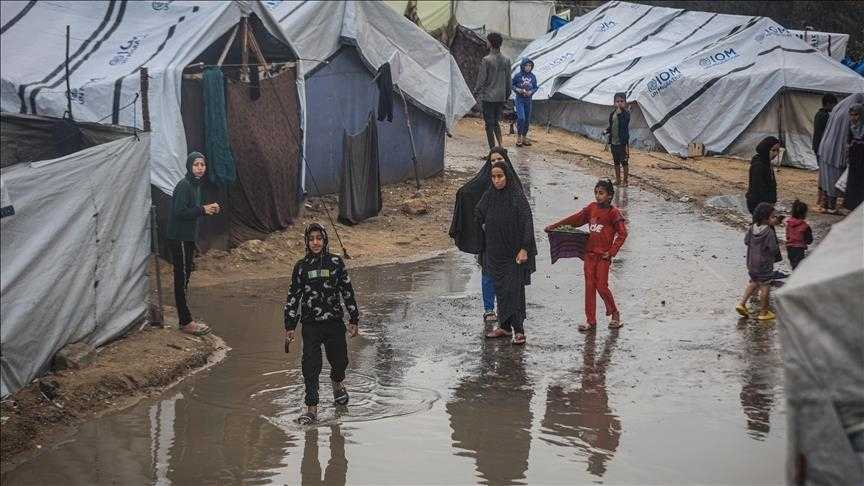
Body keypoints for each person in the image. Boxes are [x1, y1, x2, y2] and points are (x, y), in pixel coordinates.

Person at [284, 223, 360, 425]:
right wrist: (290, 326)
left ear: (325, 240)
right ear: (307, 242)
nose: (315, 242)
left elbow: (347, 291)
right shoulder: (301, 267)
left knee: (340, 362)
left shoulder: (336, 262)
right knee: (310, 366)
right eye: (311, 239)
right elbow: (293, 297)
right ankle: (311, 409)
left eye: (319, 238)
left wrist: (353, 318)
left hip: (334, 323)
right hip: (311, 325)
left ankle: (337, 383)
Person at [449, 147, 524, 324]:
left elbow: (523, 213)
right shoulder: (486, 182)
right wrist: (482, 224)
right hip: (490, 239)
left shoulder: (515, 184)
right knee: (488, 273)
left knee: (508, 275)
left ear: (506, 160)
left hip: (509, 239)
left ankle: (506, 310)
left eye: (499, 159)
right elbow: (469, 197)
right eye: (492, 161)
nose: (496, 163)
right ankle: (489, 309)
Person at [545, 179, 628, 332]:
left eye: (601, 193)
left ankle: (614, 313)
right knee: (589, 287)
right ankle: (591, 320)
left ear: (610, 196)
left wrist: (611, 252)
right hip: (589, 255)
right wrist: (555, 226)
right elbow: (575, 219)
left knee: (601, 286)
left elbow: (623, 233)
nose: (598, 196)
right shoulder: (591, 208)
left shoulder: (613, 213)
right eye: (596, 192)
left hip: (603, 257)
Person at [475, 160, 537, 344]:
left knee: (514, 290)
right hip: (495, 252)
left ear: (507, 176)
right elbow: (478, 211)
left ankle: (519, 330)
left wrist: (524, 248)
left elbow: (527, 220)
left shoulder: (516, 195)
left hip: (514, 252)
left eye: (500, 176)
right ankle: (504, 327)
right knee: (501, 289)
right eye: (493, 177)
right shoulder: (490, 194)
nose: (496, 180)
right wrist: (484, 224)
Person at [166, 152, 221, 336]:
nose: (200, 168)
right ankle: (185, 322)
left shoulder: (196, 185)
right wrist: (203, 209)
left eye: (202, 165)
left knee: (185, 276)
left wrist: (205, 210)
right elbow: (180, 212)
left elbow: (192, 211)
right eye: (196, 164)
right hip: (179, 237)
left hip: (187, 237)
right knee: (181, 277)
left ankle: (185, 318)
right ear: (189, 166)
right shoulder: (185, 185)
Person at [736, 202, 781, 321]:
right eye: (773, 217)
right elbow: (773, 249)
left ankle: (741, 303)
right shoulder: (769, 232)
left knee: (754, 282)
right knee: (765, 286)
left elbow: (746, 241)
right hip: (764, 265)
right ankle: (764, 312)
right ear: (765, 219)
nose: (775, 219)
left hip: (751, 263)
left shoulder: (752, 228)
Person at [475, 32, 512, 150]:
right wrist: (506, 95)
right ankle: (501, 146)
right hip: (501, 97)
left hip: (488, 97)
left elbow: (481, 80)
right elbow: (508, 81)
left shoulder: (486, 60)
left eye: (487, 41)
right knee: (496, 122)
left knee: (489, 125)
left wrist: (475, 92)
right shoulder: (506, 60)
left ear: (490, 43)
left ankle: (493, 151)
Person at [814, 94, 838, 209]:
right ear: (828, 104)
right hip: (822, 148)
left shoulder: (819, 114)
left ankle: (821, 200)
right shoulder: (824, 116)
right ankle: (823, 201)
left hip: (818, 146)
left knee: (823, 174)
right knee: (825, 175)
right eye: (833, 105)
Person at [745, 136, 781, 214]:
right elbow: (758, 188)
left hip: (765, 204)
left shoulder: (767, 163)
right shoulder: (758, 165)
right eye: (773, 150)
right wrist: (767, 205)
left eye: (777, 150)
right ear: (766, 149)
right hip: (758, 204)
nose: (776, 153)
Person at [604, 93, 631, 187]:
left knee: (624, 162)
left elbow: (624, 124)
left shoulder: (626, 114)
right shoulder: (612, 114)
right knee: (616, 162)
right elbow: (612, 126)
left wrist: (620, 113)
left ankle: (625, 181)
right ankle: (618, 180)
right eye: (617, 101)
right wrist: (607, 130)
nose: (619, 103)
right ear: (614, 103)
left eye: (622, 101)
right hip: (614, 142)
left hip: (622, 143)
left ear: (625, 102)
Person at [512, 58, 538, 147]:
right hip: (520, 100)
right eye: (526, 65)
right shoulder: (518, 76)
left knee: (527, 119)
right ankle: (519, 137)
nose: (528, 67)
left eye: (530, 65)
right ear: (522, 66)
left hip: (528, 100)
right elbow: (512, 85)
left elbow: (535, 87)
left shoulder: (532, 77)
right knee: (521, 118)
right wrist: (518, 90)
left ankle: (524, 137)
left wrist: (531, 92)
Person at [843, 103, 864, 211]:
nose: (853, 118)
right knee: (853, 181)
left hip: (862, 159)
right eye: (851, 115)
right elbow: (848, 142)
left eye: (856, 115)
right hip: (854, 159)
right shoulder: (851, 127)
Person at [785, 199, 813, 270]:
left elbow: (787, 236)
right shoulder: (805, 226)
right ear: (803, 214)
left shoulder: (789, 224)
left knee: (793, 264)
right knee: (799, 267)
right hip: (799, 249)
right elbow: (809, 240)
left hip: (789, 247)